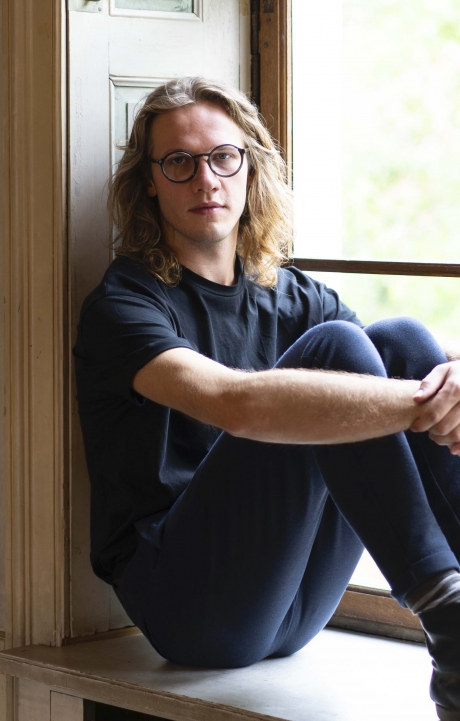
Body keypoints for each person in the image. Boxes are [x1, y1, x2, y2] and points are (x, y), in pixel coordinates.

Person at [74, 77, 460, 720]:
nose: (206, 180)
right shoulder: (124, 304)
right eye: (179, 162)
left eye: (224, 157)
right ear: (150, 182)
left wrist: (451, 380)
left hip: (297, 599)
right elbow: (235, 404)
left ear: (250, 167)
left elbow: (399, 368)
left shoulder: (292, 293)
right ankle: (450, 619)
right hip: (193, 607)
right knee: (338, 352)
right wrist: (427, 403)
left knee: (404, 341)